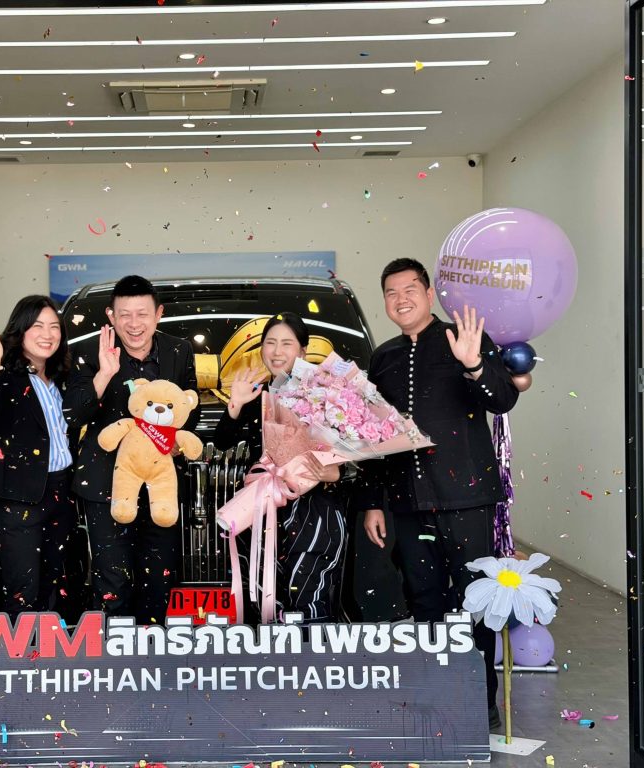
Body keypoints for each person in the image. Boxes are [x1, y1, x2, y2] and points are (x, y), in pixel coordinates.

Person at [358, 257, 518, 731]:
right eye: (391, 293)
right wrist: (373, 500)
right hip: (407, 502)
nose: (401, 299)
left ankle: (480, 702)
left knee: (475, 601)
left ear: (429, 294)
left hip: (466, 498)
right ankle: (435, 696)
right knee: (424, 601)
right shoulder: (382, 357)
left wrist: (474, 364)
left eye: (410, 289)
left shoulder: (465, 338)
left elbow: (503, 399)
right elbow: (372, 435)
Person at [66, 275, 198, 625]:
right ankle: (114, 651)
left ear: (159, 314)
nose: (134, 324)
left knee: (159, 577)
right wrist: (104, 373)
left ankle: (153, 647)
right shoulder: (88, 352)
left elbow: (190, 410)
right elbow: (74, 414)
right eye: (125, 314)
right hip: (106, 485)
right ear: (111, 316)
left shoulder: (178, 350)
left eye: (143, 314)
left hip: (160, 486)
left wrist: (174, 442)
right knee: (113, 580)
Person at [215, 312, 350, 624]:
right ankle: (270, 653)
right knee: (265, 594)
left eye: (286, 343)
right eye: (270, 343)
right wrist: (235, 404)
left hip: (313, 509)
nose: (277, 351)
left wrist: (335, 474)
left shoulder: (326, 393)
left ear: (303, 350)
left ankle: (309, 652)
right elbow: (222, 442)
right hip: (263, 507)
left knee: (307, 592)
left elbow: (355, 453)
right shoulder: (255, 394)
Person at [0, 295, 76, 620]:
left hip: (62, 492)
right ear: (21, 329)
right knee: (21, 589)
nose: (47, 334)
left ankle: (52, 649)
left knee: (55, 586)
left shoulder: (61, 375)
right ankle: (21, 651)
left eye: (54, 327)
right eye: (38, 326)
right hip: (19, 497)